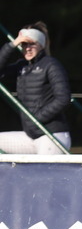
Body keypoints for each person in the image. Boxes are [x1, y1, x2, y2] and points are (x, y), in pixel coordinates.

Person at [0, 22, 72, 154]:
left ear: (41, 45)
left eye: (31, 44)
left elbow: (63, 99)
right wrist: (12, 44)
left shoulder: (51, 64)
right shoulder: (22, 66)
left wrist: (37, 118)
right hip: (31, 136)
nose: (27, 48)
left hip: (53, 136)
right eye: (24, 44)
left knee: (43, 168)